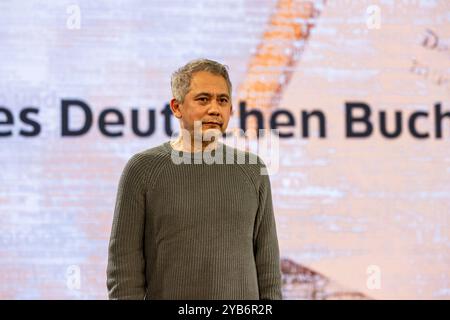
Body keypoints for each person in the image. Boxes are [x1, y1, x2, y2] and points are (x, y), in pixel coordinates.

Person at [106, 58, 282, 299]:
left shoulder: (252, 170)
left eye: (222, 100)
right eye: (203, 99)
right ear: (176, 107)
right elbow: (124, 273)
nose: (214, 109)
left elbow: (268, 271)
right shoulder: (143, 170)